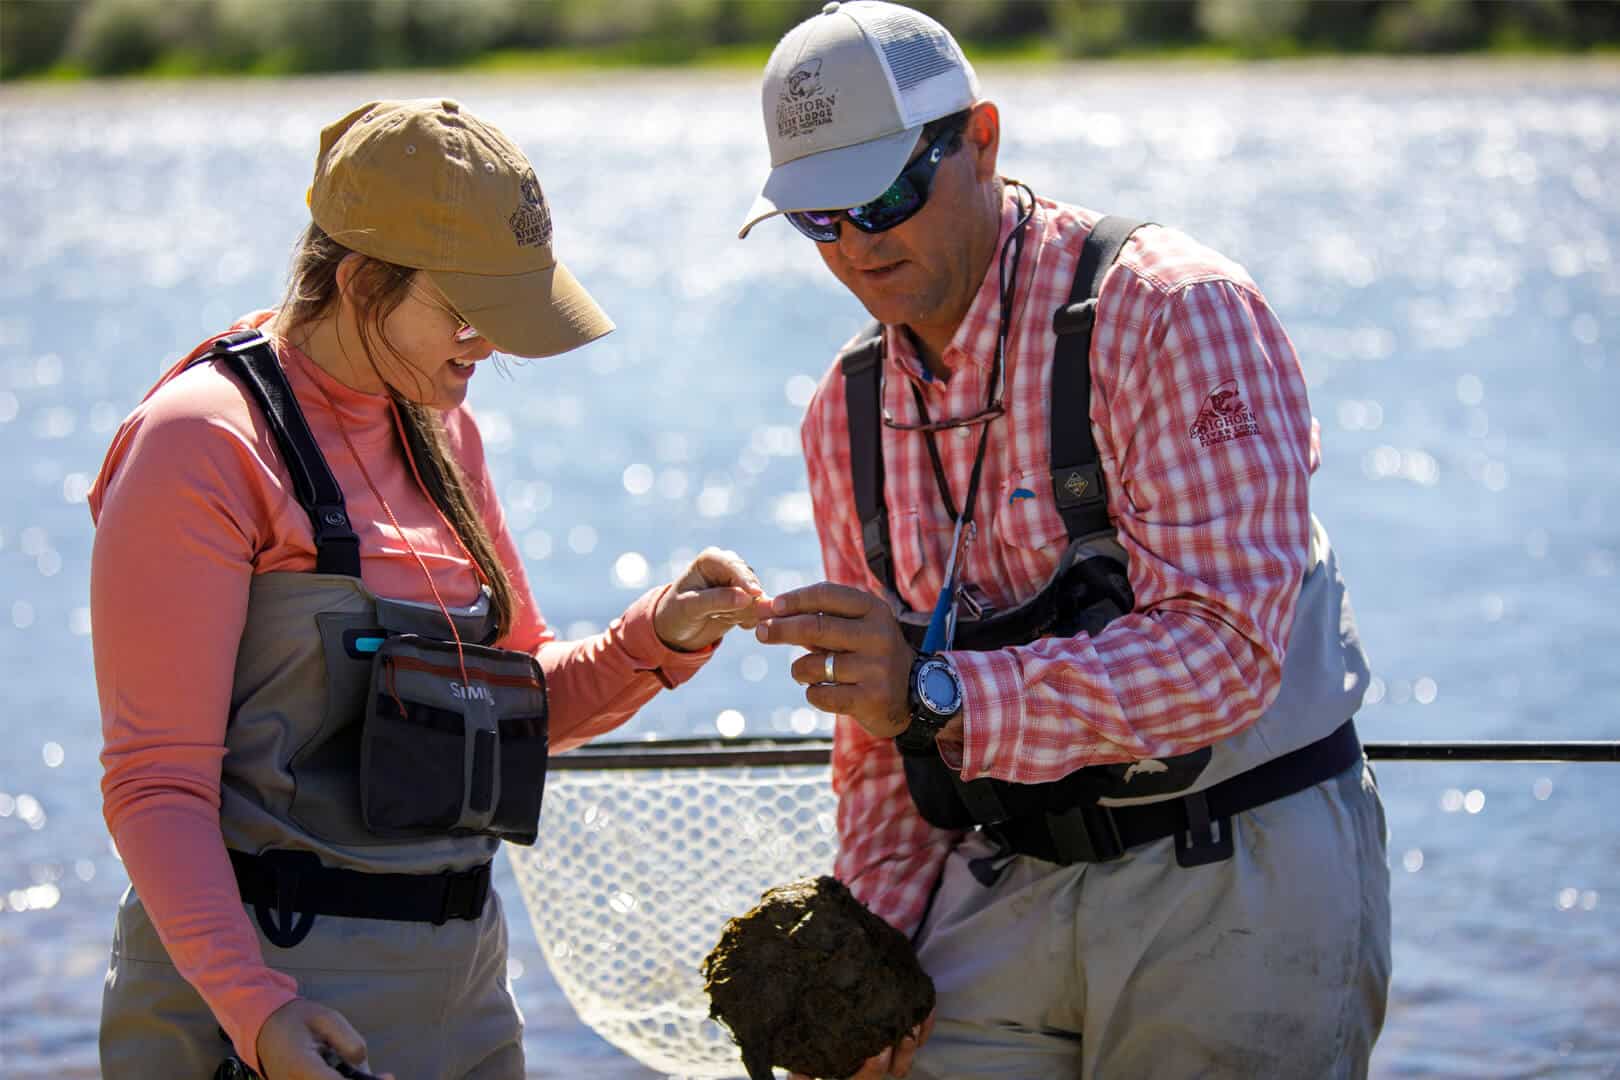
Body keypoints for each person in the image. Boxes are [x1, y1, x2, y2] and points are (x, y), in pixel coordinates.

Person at [739, 4, 1391, 1077]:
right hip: (1005, 876)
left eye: (889, 193)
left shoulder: (1174, 310)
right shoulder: (841, 409)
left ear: (982, 140)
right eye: (819, 217)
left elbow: (1226, 651)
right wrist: (874, 947)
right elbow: (876, 738)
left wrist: (940, 693)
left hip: (1236, 860)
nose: (859, 241)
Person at [90, 98, 768, 1080]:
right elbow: (155, 785)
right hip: (266, 1008)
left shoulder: (445, 429)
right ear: (361, 279)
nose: (488, 343)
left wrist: (657, 638)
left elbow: (512, 700)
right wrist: (257, 1013)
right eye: (467, 310)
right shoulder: (202, 443)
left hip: (464, 998)